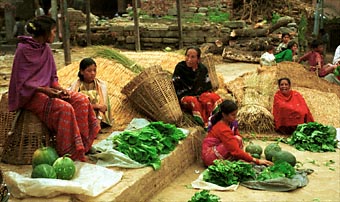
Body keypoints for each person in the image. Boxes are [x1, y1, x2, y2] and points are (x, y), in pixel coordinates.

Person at [8, 16, 100, 162]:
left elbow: (52, 79)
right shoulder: (23, 50)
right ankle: (69, 153)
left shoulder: (46, 50)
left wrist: (61, 90)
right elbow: (21, 83)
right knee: (64, 108)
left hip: (47, 91)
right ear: (44, 32)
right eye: (53, 31)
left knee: (81, 100)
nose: (54, 34)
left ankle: (83, 146)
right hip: (30, 96)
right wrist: (45, 90)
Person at [201, 100, 273, 167]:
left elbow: (237, 137)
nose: (235, 117)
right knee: (236, 141)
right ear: (224, 115)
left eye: (236, 114)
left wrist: (245, 155)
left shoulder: (230, 123)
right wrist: (256, 161)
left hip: (217, 149)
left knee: (238, 139)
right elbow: (235, 150)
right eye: (233, 115)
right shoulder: (222, 128)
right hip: (209, 156)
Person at [172, 47, 222, 129]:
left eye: (192, 57)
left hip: (200, 94)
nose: (189, 59)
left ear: (198, 59)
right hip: (184, 95)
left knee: (214, 97)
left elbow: (207, 86)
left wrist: (205, 96)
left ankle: (215, 120)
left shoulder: (202, 69)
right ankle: (205, 125)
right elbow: (175, 86)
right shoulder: (180, 67)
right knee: (193, 101)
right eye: (187, 56)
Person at [69, 58, 113, 127]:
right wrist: (96, 106)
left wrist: (98, 119)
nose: (93, 73)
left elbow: (103, 106)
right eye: (89, 71)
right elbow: (73, 105)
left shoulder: (101, 85)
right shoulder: (75, 86)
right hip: (81, 117)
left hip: (98, 118)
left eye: (94, 70)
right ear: (81, 72)